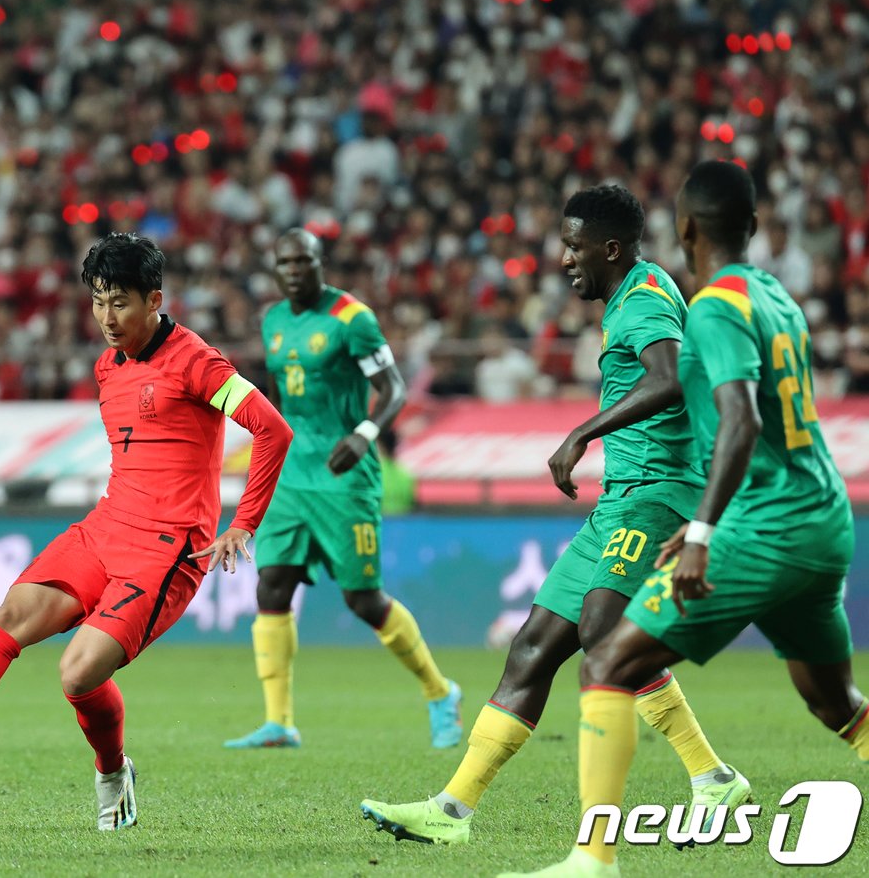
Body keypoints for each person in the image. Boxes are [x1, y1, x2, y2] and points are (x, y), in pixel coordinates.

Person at [0, 233, 293, 830]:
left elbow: (272, 429)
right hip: (105, 528)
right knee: (9, 618)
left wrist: (244, 524)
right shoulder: (108, 366)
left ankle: (113, 772)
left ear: (154, 299)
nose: (107, 318)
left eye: (120, 303)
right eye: (98, 302)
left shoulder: (198, 362)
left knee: (78, 673)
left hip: (166, 550)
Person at [506, 162, 868, 878]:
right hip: (825, 517)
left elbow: (741, 420)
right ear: (753, 226)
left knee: (606, 659)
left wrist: (703, 530)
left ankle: (593, 857)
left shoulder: (711, 309)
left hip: (767, 527)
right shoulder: (777, 298)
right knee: (836, 703)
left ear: (686, 229)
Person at [363, 186, 744, 845]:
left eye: (574, 246)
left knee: (603, 630)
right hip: (619, 499)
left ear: (611, 248)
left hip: (656, 494)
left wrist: (581, 432)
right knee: (533, 647)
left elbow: (669, 377)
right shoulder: (632, 296)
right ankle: (451, 811)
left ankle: (711, 777)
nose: (564, 259)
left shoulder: (644, 299)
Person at [224, 228, 462, 751]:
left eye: (302, 261)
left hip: (343, 474)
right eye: (284, 262)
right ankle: (279, 721)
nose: (293, 271)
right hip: (291, 473)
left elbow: (394, 389)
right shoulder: (273, 319)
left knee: (362, 599)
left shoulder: (353, 319)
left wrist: (365, 433)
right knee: (272, 585)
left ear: (320, 263)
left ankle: (440, 691)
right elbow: (279, 395)